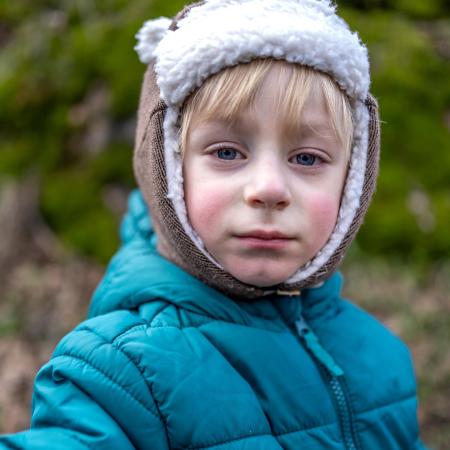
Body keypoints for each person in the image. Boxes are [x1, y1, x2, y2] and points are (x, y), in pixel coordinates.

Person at [0, 0, 427, 448]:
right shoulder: (120, 375)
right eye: (227, 153)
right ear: (166, 166)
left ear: (354, 180)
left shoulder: (379, 357)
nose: (268, 188)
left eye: (307, 158)